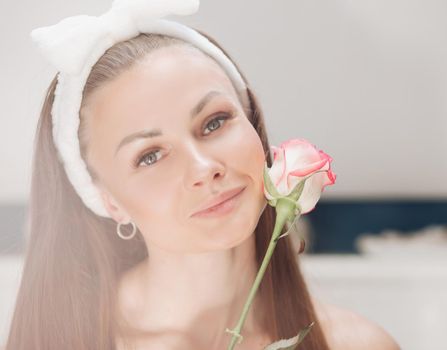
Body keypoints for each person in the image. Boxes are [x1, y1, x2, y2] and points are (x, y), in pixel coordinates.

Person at [5, 1, 401, 349]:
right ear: (109, 200)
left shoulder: (355, 344)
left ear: (253, 125)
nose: (204, 168)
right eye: (150, 156)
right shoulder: (60, 343)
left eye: (214, 123)